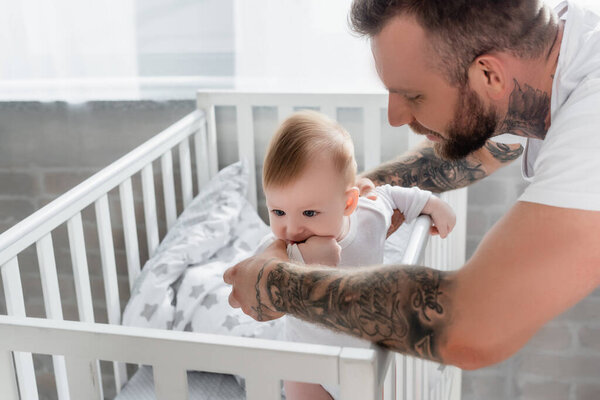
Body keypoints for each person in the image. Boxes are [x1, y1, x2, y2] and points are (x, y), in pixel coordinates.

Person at [224, 0, 600, 371]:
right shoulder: (543, 53)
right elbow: (486, 149)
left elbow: (471, 327)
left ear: (489, 76)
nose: (394, 117)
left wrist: (277, 285)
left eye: (413, 95)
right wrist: (354, 195)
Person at [258, 110, 455, 400]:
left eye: (309, 212)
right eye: (278, 211)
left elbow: (391, 195)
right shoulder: (280, 249)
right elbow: (257, 276)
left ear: (349, 203)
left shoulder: (370, 216)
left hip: (363, 359)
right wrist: (297, 262)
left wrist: (429, 203)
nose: (292, 227)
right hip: (306, 365)